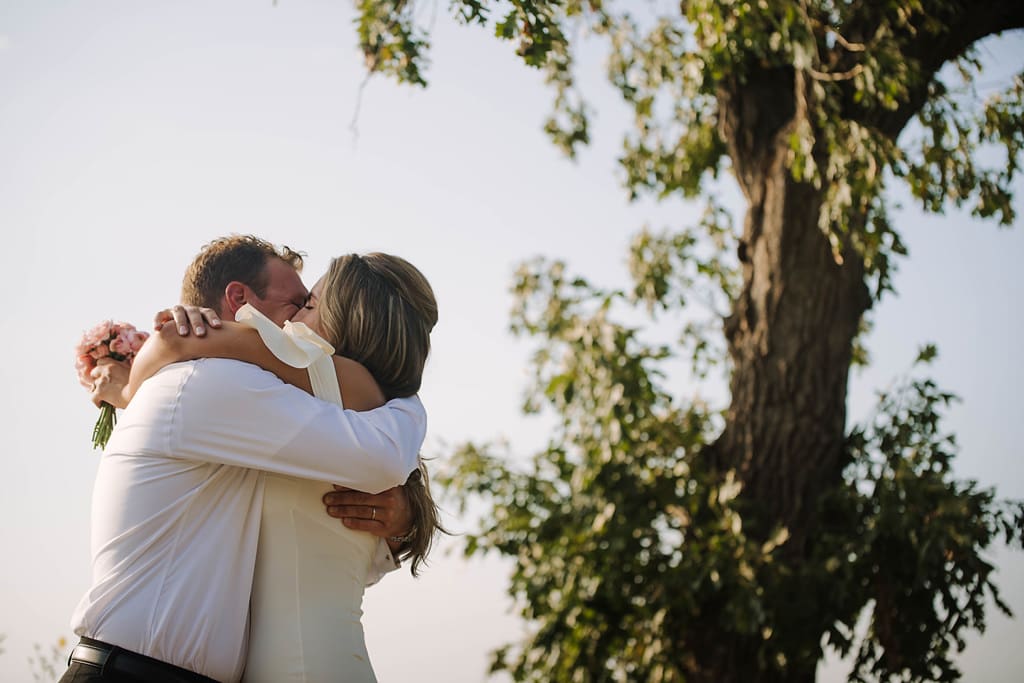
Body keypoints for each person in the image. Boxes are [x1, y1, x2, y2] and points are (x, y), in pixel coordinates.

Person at [61, 238, 432, 683]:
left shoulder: (284, 419)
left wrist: (407, 516)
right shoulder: (214, 381)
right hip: (133, 673)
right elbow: (382, 452)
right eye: (299, 302)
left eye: (308, 305)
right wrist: (406, 395)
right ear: (239, 300)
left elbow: (329, 562)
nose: (296, 318)